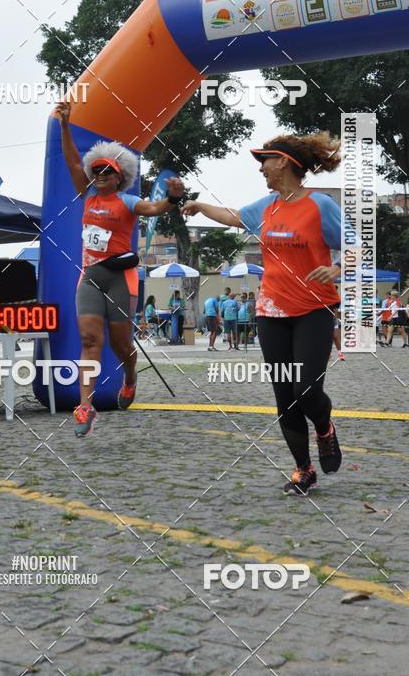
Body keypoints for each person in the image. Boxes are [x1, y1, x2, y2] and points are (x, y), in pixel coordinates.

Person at [183, 132, 343, 496]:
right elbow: (235, 217)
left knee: (306, 390)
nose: (261, 169)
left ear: (284, 162)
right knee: (285, 394)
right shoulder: (267, 207)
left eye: (264, 161)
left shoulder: (320, 205)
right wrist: (201, 206)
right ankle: (304, 469)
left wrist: (337, 268)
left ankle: (324, 428)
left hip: (313, 309)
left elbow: (356, 243)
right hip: (271, 311)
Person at [57, 101, 185, 436]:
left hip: (120, 279)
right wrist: (65, 126)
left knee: (120, 346)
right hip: (90, 277)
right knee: (89, 339)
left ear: (119, 177)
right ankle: (85, 406)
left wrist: (172, 199)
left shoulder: (127, 202)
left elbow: (154, 208)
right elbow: (72, 161)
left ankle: (129, 378)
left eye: (107, 172)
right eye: (96, 171)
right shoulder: (87, 196)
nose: (100, 175)